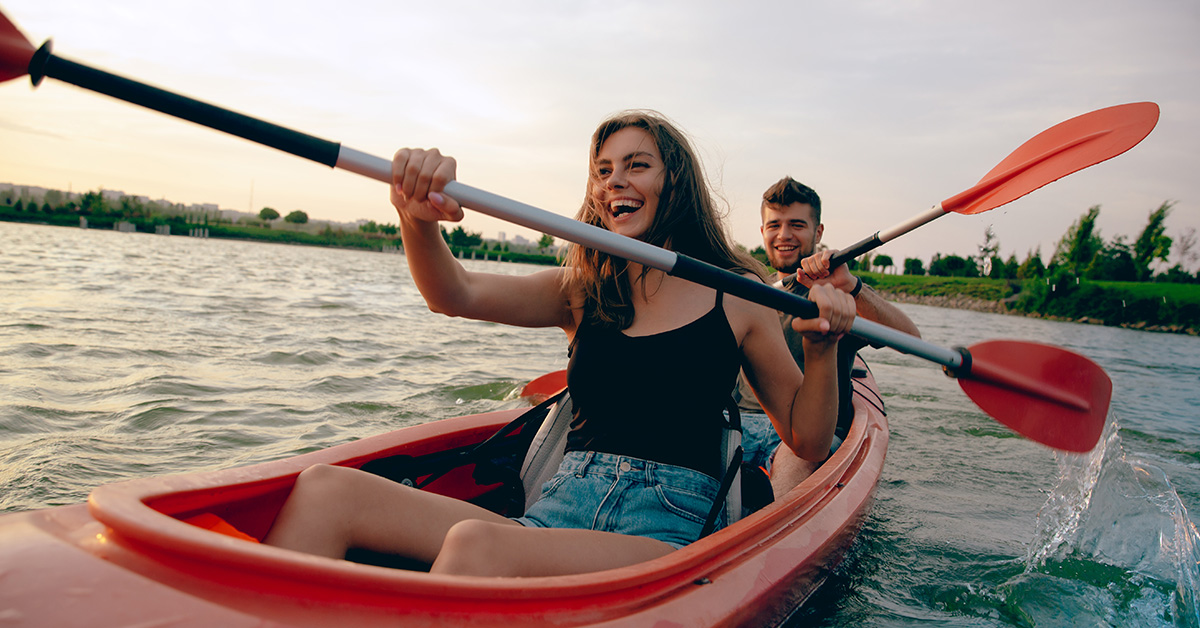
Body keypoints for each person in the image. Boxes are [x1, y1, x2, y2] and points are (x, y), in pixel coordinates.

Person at [262, 112, 857, 577]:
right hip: (557, 506)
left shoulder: (738, 290)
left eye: (637, 165)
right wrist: (414, 218)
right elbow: (455, 291)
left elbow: (806, 438)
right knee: (325, 490)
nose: (614, 181)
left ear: (674, 180)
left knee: (478, 545)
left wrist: (823, 349)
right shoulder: (583, 287)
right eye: (602, 170)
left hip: (663, 534)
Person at [735, 177, 920, 498]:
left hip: (804, 436)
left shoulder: (838, 295)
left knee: (799, 461)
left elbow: (911, 340)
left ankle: (768, 531)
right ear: (762, 231)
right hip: (738, 423)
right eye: (774, 225)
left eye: (797, 225)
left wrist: (853, 287)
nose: (784, 235)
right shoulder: (750, 289)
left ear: (818, 232)